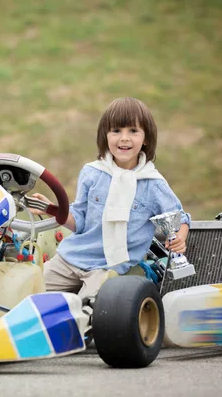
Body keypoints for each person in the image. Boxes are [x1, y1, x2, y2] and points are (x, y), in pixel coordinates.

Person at [30, 97, 190, 299]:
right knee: (30, 294)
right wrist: (52, 209)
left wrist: (180, 238)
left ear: (146, 138)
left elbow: (179, 220)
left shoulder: (153, 184)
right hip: (71, 258)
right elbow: (79, 221)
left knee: (86, 309)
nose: (124, 138)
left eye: (133, 131)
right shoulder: (92, 173)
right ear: (105, 136)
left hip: (107, 267)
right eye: (116, 131)